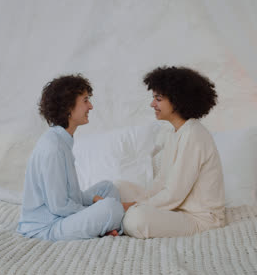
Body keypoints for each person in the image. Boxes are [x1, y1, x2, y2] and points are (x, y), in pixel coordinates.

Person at [17, 74, 133, 242]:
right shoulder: (53, 148)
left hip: (59, 213)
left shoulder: (61, 139)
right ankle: (109, 222)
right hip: (47, 227)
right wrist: (101, 208)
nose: (91, 106)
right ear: (68, 108)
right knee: (110, 207)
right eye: (85, 100)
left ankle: (105, 224)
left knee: (107, 188)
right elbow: (59, 206)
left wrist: (93, 200)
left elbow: (66, 194)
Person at [122, 66, 225, 239]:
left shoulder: (194, 134)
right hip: (178, 211)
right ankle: (119, 216)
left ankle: (119, 219)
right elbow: (162, 181)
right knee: (120, 187)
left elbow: (174, 194)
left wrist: (133, 207)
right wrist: (136, 202)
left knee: (136, 218)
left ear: (177, 101)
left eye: (158, 98)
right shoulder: (174, 132)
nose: (152, 104)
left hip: (201, 220)